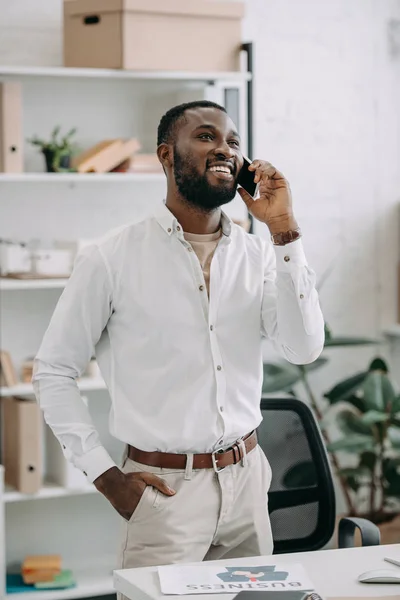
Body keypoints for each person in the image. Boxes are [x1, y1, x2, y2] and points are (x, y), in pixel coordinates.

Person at [32, 100, 325, 580]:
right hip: (163, 493)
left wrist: (283, 229)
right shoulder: (111, 258)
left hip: (247, 481)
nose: (225, 150)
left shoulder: (261, 254)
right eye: (206, 137)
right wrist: (106, 477)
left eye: (233, 141)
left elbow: (304, 347)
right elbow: (54, 370)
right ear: (166, 156)